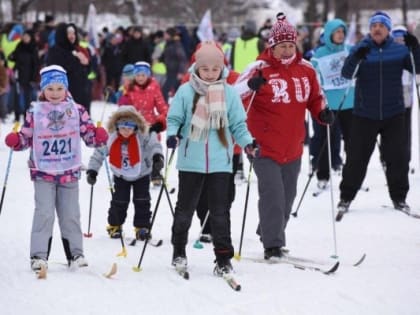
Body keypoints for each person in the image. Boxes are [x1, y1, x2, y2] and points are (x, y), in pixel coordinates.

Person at [4, 65, 109, 272]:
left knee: (70, 214)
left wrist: (96, 136)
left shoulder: (76, 111)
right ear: (43, 89)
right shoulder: (35, 111)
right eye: (50, 89)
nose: (54, 93)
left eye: (59, 88)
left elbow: (88, 134)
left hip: (69, 171)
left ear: (66, 88)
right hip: (43, 172)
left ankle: (76, 254)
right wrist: (17, 140)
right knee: (44, 213)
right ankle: (39, 256)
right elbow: (26, 137)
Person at [243, 14, 331, 260]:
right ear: (271, 46)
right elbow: (236, 96)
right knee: (273, 194)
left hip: (293, 145)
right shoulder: (258, 69)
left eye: (290, 45)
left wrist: (322, 112)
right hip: (262, 145)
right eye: (281, 45)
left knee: (288, 197)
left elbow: (315, 98)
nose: (286, 49)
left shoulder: (306, 70)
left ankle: (268, 229)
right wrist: (250, 86)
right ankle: (273, 245)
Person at [166, 41, 255, 275]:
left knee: (220, 212)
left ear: (221, 68)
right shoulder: (186, 92)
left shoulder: (229, 93)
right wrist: (173, 135)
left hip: (220, 163)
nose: (210, 73)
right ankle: (178, 252)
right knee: (184, 210)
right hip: (190, 161)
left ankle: (223, 258)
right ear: (196, 67)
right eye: (205, 69)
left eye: (215, 69)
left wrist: (248, 143)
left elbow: (238, 124)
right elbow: (174, 118)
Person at [337, 11, 420, 215]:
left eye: (382, 26)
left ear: (388, 30)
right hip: (365, 113)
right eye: (374, 25)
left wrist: (415, 47)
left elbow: (417, 67)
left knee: (397, 158)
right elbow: (346, 74)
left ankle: (399, 198)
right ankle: (346, 197)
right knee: (356, 158)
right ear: (370, 29)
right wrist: (356, 57)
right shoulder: (362, 48)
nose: (377, 28)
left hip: (394, 112)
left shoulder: (399, 50)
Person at [86, 105, 164, 240]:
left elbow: (154, 145)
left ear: (135, 126)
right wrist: (92, 170)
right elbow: (99, 153)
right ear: (116, 126)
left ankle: (142, 227)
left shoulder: (143, 135)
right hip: (121, 175)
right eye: (122, 128)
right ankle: (115, 226)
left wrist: (157, 157)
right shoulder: (111, 138)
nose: (126, 131)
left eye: (129, 127)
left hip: (142, 174)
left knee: (142, 201)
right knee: (119, 201)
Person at [309, 18, 355, 189]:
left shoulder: (350, 50)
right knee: (324, 142)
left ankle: (351, 176)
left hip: (349, 102)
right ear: (329, 34)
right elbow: (312, 75)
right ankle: (323, 175)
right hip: (328, 105)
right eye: (337, 32)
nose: (340, 35)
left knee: (352, 142)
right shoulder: (319, 54)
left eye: (342, 31)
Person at [118, 61, 168, 186]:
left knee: (153, 145)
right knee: (134, 149)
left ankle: (156, 170)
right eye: (138, 75)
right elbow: (123, 107)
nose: (140, 78)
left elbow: (164, 109)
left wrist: (159, 122)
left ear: (148, 76)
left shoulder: (154, 88)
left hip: (150, 124)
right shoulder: (129, 88)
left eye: (143, 75)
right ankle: (134, 172)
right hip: (133, 125)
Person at [46, 23, 92, 113]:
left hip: (82, 94)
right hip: (64, 95)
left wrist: (86, 63)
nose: (72, 36)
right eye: (69, 33)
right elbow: (58, 69)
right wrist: (76, 60)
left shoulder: (79, 49)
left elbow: (88, 71)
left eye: (74, 33)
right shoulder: (55, 51)